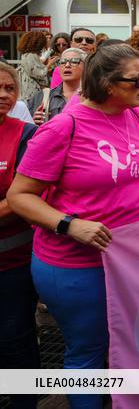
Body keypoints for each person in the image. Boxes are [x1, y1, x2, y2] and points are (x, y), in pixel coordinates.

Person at [7, 44, 139, 409]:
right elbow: (19, 196)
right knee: (88, 351)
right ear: (107, 83)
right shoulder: (64, 127)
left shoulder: (135, 110)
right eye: (137, 80)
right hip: (78, 266)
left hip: (134, 257)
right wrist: (69, 225)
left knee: (129, 343)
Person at [0, 62, 38, 409]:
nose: (3, 95)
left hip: (13, 262)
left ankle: (24, 401)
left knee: (16, 337)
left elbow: (24, 195)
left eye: (10, 88)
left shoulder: (25, 134)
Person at [28, 48, 85, 124]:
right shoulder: (42, 97)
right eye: (63, 62)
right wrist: (33, 123)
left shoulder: (93, 98)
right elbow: (27, 126)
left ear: (85, 66)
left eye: (74, 61)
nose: (67, 65)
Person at [16, 31, 49, 102]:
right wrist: (49, 65)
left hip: (27, 93)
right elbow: (38, 74)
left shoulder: (26, 55)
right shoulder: (31, 55)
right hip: (32, 93)